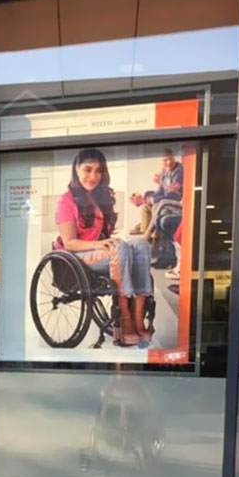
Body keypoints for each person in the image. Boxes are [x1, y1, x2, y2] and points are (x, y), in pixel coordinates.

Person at [55, 147, 153, 345]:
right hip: (75, 257)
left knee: (141, 244)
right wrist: (99, 243)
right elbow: (69, 243)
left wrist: (106, 243)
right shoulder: (66, 201)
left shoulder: (101, 196)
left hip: (100, 251)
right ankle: (124, 316)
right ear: (76, 170)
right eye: (87, 170)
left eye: (98, 171)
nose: (93, 176)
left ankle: (138, 315)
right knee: (121, 248)